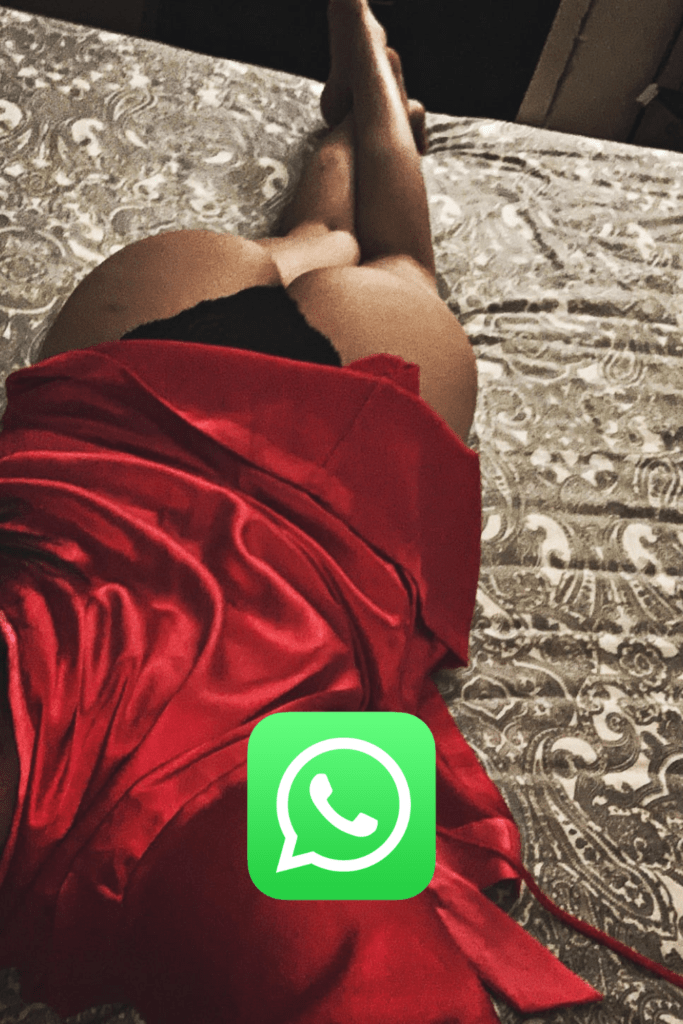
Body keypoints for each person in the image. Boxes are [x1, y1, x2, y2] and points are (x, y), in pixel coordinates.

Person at [0, 1, 678, 1022]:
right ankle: (365, 83)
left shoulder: (207, 849)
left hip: (327, 504)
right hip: (128, 412)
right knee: (322, 245)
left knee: (388, 266)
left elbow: (356, 953)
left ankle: (372, 100)